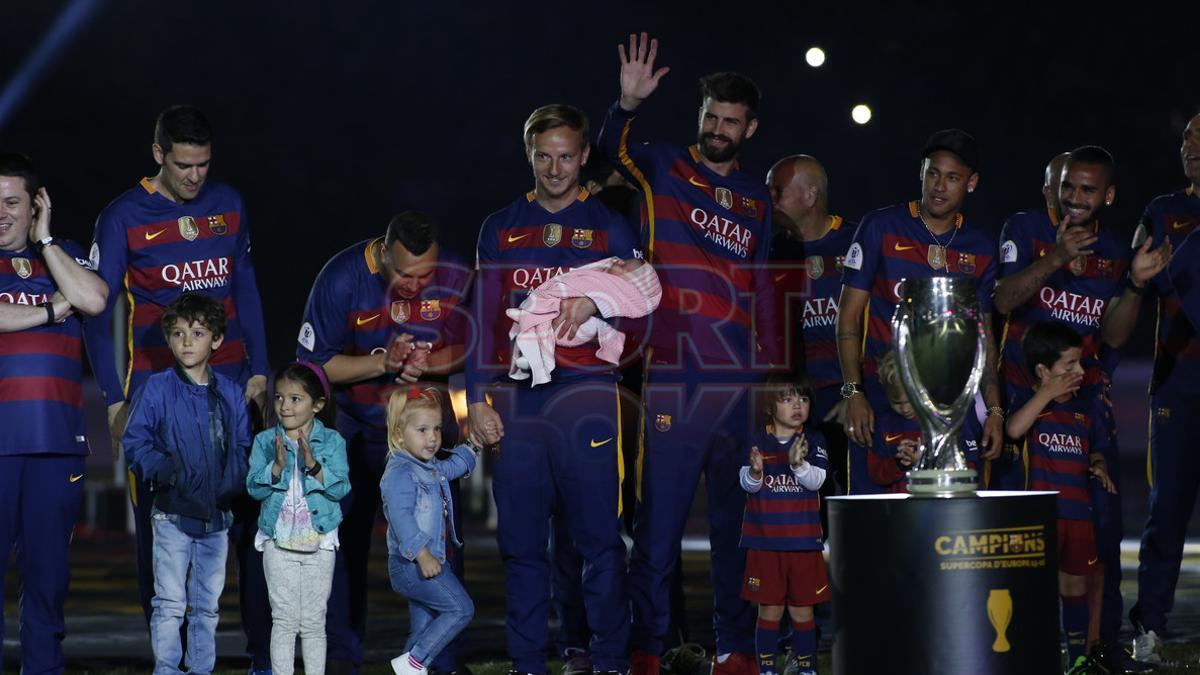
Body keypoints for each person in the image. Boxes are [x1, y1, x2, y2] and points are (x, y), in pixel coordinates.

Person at [596, 33, 779, 675]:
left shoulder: (757, 201)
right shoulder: (662, 166)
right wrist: (626, 103)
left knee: (736, 528)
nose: (719, 127)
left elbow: (760, 287)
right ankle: (650, 647)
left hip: (737, 388)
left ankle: (736, 646)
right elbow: (606, 151)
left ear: (749, 128)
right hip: (672, 376)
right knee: (658, 528)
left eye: (731, 120)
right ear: (699, 115)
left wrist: (770, 375)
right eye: (711, 115)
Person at [86, 104, 273, 671]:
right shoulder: (121, 216)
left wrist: (260, 370)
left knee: (249, 527)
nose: (196, 177)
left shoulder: (229, 204)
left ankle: (262, 655)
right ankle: (171, 661)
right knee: (162, 539)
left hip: (234, 389)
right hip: (158, 398)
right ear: (158, 154)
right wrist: (116, 402)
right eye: (185, 165)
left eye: (204, 165)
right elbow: (97, 313)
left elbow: (246, 288)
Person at [466, 102, 640, 675]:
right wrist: (476, 401)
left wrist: (603, 300)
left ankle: (610, 659)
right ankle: (526, 663)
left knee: (597, 540)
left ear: (585, 155)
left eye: (567, 156)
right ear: (529, 154)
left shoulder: (612, 226)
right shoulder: (501, 226)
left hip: (588, 397)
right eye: (544, 156)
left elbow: (646, 310)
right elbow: (483, 319)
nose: (556, 168)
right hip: (521, 400)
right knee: (520, 544)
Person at [991, 146, 1166, 672]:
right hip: (1024, 400)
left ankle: (1098, 645)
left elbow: (1112, 333)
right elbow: (1001, 301)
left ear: (1107, 196)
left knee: (1101, 522)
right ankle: (1014, 645)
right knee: (1020, 528)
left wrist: (1135, 284)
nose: (1075, 198)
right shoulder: (1023, 229)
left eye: (1088, 190)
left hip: (1086, 404)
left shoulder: (1115, 248)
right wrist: (1055, 258)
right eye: (1068, 186)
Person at [296, 210, 471, 672]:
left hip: (427, 436)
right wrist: (382, 364)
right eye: (404, 275)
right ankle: (340, 659)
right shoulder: (341, 278)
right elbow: (316, 367)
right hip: (357, 429)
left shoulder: (455, 275)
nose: (415, 286)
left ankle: (438, 660)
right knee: (344, 545)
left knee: (439, 544)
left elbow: (470, 344)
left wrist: (427, 361)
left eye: (426, 276)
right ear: (382, 257)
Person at [836, 128, 1004, 494]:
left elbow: (984, 337)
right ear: (921, 172)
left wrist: (993, 411)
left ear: (971, 183)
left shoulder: (981, 247)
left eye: (953, 177)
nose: (940, 186)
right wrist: (853, 393)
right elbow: (848, 317)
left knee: (949, 516)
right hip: (883, 399)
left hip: (952, 405)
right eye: (933, 173)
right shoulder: (880, 227)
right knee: (876, 514)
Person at [0, 153, 107, 672]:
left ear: (35, 204)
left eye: (12, 202)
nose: (1, 212)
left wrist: (45, 241)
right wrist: (49, 309)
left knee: (48, 579)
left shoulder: (60, 255)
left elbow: (93, 298)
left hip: (57, 447)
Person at [1107, 112, 1200, 664]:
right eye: (1188, 137)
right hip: (1179, 386)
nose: (1191, 145)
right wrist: (1137, 280)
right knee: (1166, 513)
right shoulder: (1164, 214)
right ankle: (1150, 630)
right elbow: (1135, 291)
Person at [122, 293, 253, 675]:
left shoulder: (229, 393)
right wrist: (164, 470)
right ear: (168, 340)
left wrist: (233, 483)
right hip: (171, 514)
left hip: (216, 519)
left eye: (197, 333)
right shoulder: (157, 389)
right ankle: (166, 668)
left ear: (216, 340)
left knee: (207, 605)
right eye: (178, 334)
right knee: (169, 603)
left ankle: (200, 669)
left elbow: (243, 445)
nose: (186, 342)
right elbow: (135, 441)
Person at [1004, 321, 1116, 673]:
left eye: (1080, 363)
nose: (1080, 372)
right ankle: (1031, 654)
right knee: (1035, 588)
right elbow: (1013, 430)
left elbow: (1097, 449)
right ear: (1042, 370)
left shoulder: (1087, 410)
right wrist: (1046, 394)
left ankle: (1078, 657)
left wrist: (1099, 466)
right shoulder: (1028, 403)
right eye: (1069, 365)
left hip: (1078, 513)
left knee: (1075, 586)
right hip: (1041, 514)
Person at [247, 362, 351, 675]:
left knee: (313, 621)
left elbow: (341, 488)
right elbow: (253, 488)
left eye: (295, 399)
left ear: (317, 404)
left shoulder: (332, 442)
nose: (284, 406)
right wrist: (276, 468)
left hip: (319, 542)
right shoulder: (266, 442)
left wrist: (314, 466)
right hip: (278, 542)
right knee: (284, 619)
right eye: (279, 398)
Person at [765, 155, 855, 496]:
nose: (769, 201)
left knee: (850, 498)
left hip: (847, 400)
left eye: (778, 192)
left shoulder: (856, 242)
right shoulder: (771, 252)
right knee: (803, 508)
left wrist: (857, 392)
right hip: (795, 400)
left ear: (810, 195)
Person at [381, 388, 481, 675]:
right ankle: (415, 662)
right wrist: (422, 554)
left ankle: (411, 663)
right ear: (400, 434)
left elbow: (452, 467)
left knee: (421, 629)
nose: (433, 437)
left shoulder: (429, 466)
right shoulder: (400, 472)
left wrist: (473, 445)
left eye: (436, 428)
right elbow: (401, 519)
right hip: (413, 565)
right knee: (461, 609)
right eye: (422, 430)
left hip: (430, 562)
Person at [739, 376, 828, 675]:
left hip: (803, 544)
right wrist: (754, 471)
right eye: (787, 399)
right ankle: (766, 669)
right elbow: (747, 486)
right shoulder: (755, 440)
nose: (797, 406)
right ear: (769, 406)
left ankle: (807, 669)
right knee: (769, 610)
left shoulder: (813, 441)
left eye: (802, 399)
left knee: (803, 611)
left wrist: (798, 464)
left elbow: (818, 481)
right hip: (764, 545)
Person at [506, 256, 660, 385]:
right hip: (538, 373)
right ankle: (531, 351)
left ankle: (530, 329)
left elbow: (641, 319)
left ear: (629, 283)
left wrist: (594, 305)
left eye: (624, 267)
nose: (619, 262)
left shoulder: (613, 233)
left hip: (589, 373)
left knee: (541, 321)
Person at [867, 351, 981, 494]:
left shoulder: (948, 422)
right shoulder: (884, 425)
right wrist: (899, 464)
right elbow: (875, 474)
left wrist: (924, 462)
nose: (904, 408)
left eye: (910, 400)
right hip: (902, 510)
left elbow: (968, 469)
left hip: (942, 503)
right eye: (896, 403)